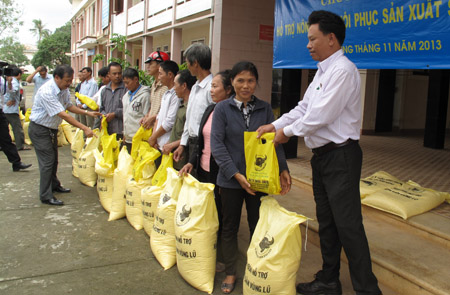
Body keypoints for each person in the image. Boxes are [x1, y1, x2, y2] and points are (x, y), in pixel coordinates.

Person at [257, 10, 382, 295]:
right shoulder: (322, 71)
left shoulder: (344, 71)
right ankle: (329, 280)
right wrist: (275, 124)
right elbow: (305, 109)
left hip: (341, 157)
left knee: (348, 225)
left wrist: (285, 133)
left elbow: (322, 115)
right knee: (327, 222)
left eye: (313, 39)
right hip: (323, 157)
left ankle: (367, 290)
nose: (308, 45)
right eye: (308, 39)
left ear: (331, 39)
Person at [211, 61, 291, 294]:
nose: (246, 86)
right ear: (232, 83)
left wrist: (283, 168)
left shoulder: (265, 108)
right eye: (240, 80)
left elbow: (273, 141)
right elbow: (217, 145)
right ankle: (230, 271)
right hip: (230, 180)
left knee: (259, 226)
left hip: (260, 179)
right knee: (230, 227)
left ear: (257, 82)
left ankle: (256, 268)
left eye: (251, 80)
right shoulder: (222, 109)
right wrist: (235, 175)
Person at [179, 69, 234, 273]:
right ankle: (205, 250)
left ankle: (221, 258)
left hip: (221, 174)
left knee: (220, 217)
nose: (211, 90)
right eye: (211, 86)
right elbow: (202, 142)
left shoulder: (232, 113)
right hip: (203, 170)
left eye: (215, 86)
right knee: (206, 215)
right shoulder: (210, 109)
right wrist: (191, 162)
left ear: (228, 90)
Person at [28, 65, 101, 206]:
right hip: (39, 130)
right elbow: (63, 114)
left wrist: (87, 113)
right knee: (47, 162)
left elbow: (68, 106)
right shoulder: (47, 91)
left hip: (51, 129)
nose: (69, 84)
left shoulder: (64, 89)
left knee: (53, 160)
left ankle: (54, 185)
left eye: (70, 80)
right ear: (56, 77)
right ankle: (45, 195)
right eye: (67, 80)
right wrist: (84, 127)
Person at [173, 43, 214, 175]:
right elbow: (189, 119)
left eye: (187, 63)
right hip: (191, 143)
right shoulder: (196, 87)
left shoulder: (211, 88)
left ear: (195, 63)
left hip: (204, 144)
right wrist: (182, 144)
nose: (187, 66)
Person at [161, 69, 196, 170]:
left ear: (184, 86)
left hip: (184, 157)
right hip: (175, 155)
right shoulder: (181, 104)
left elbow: (192, 135)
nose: (174, 88)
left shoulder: (192, 107)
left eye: (175, 85)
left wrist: (173, 145)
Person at [147, 60, 180, 166]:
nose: (159, 76)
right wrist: (154, 137)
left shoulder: (176, 95)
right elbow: (159, 117)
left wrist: (153, 137)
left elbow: (169, 122)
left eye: (161, 73)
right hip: (159, 144)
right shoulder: (166, 93)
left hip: (168, 145)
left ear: (170, 75)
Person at [0, 74, 32, 171]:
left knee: (6, 139)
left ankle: (16, 163)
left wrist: (9, 83)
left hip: (0, 112)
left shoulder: (2, 79)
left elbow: (9, 91)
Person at [122, 67, 151, 152]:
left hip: (140, 139)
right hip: (128, 138)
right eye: (124, 83)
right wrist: (125, 133)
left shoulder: (145, 95)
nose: (126, 86)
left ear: (136, 79)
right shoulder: (126, 96)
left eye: (128, 83)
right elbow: (125, 115)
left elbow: (147, 117)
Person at [140, 51, 170, 129]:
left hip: (162, 130)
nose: (148, 67)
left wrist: (153, 117)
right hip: (152, 129)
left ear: (159, 65)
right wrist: (147, 116)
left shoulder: (167, 87)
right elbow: (153, 106)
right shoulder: (153, 84)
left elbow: (169, 113)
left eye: (151, 64)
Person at [3, 67, 30, 150]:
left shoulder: (7, 81)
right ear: (19, 74)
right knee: (17, 128)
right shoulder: (14, 82)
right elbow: (12, 91)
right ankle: (20, 145)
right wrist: (12, 99)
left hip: (5, 108)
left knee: (4, 128)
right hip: (11, 110)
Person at [99, 62, 126, 138]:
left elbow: (129, 110)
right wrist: (104, 116)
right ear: (109, 74)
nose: (117, 76)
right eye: (114, 74)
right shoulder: (104, 90)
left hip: (121, 131)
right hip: (107, 130)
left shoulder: (126, 89)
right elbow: (101, 108)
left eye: (119, 73)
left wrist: (115, 114)